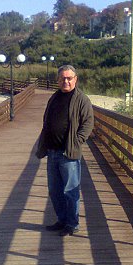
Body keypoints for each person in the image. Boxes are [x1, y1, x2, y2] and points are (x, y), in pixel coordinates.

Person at [36, 64, 94, 237]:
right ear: (58, 80)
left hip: (68, 153)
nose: (66, 81)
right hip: (53, 152)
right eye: (62, 78)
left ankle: (72, 223)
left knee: (70, 191)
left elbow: (88, 123)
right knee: (54, 190)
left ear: (75, 79)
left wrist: (77, 141)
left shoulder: (81, 99)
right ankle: (62, 220)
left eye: (69, 78)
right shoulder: (54, 97)